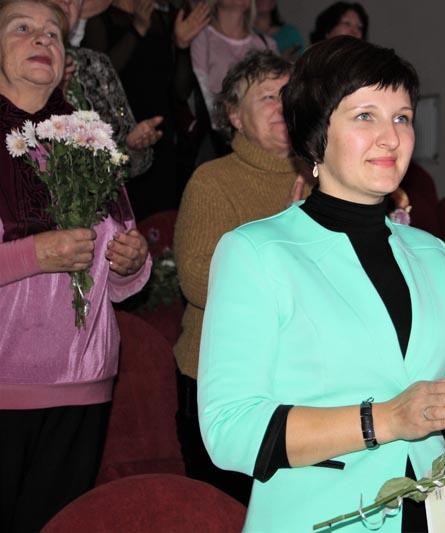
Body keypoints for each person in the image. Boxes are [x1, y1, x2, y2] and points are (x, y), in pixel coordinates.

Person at [198, 36, 445, 532]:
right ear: (316, 135)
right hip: (320, 518)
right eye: (365, 116)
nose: (391, 137)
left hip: (433, 514)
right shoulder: (256, 252)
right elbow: (231, 429)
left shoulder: (430, 254)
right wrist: (383, 420)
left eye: (402, 118)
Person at [0, 0, 150, 530]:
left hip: (83, 380)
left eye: (53, 34)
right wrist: (33, 255)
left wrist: (131, 263)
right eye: (22, 28)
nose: (43, 39)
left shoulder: (90, 142)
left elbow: (122, 272)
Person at [173, 49, 302, 504]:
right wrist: (288, 233)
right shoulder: (213, 181)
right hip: (223, 381)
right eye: (268, 96)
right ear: (234, 116)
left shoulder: (326, 179)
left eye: (290, 94)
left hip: (303, 379)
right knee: (232, 513)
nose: (283, 105)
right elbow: (197, 281)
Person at [83, 0, 208, 219]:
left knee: (162, 219)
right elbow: (100, 78)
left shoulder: (163, 19)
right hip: (120, 141)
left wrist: (182, 46)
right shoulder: (100, 19)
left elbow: (180, 91)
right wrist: (137, 30)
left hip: (160, 136)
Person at [55, 0, 160, 179]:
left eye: (76, 0)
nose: (67, 2)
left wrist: (131, 147)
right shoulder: (17, 64)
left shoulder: (96, 64)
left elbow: (126, 164)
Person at [190, 0, 275, 141]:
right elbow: (202, 92)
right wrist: (223, 132)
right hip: (218, 136)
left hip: (260, 134)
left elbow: (274, 94)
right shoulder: (202, 37)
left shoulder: (265, 43)